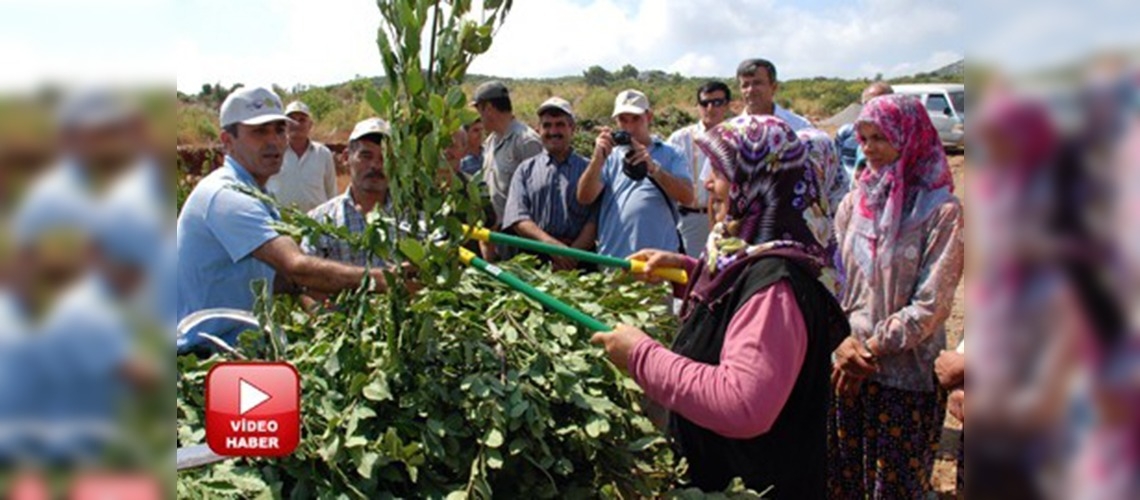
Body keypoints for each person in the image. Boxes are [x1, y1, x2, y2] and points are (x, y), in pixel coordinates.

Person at [590, 115, 847, 497]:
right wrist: (687, 272)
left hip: (756, 481)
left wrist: (641, 355)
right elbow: (739, 302)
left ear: (758, 179)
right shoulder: (755, 250)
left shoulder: (776, 285)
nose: (708, 183)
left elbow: (742, 404)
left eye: (721, 171)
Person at [176, 88, 404, 340]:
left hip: (235, 346)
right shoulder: (227, 196)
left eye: (279, 130)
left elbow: (281, 281)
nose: (273, 140)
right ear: (227, 141)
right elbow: (295, 267)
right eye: (259, 132)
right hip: (205, 350)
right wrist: (385, 280)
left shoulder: (255, 193)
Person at [829, 94, 964, 498]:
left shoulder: (941, 212)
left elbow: (931, 305)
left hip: (905, 378)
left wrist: (867, 348)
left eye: (881, 138)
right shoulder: (853, 204)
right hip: (846, 369)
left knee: (894, 488)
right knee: (845, 481)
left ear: (910, 140)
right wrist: (842, 343)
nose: (869, 149)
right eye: (864, 138)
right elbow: (836, 280)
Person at [576, 89, 694, 259]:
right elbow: (585, 197)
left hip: (660, 259)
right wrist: (596, 160)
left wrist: (654, 169)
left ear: (649, 117)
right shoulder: (609, 156)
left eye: (636, 119)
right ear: (616, 121)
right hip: (615, 258)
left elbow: (687, 197)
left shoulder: (672, 154)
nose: (629, 127)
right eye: (623, 120)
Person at [502, 97, 597, 271]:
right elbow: (518, 217)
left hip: (581, 261)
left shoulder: (590, 170)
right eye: (547, 125)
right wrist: (552, 246)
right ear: (538, 130)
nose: (553, 131)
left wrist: (572, 255)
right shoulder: (525, 170)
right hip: (535, 261)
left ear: (572, 129)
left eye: (560, 124)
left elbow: (595, 220)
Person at [303, 118, 393, 268]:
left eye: (385, 158)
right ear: (346, 158)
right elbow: (309, 280)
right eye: (366, 156)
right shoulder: (320, 221)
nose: (376, 165)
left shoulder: (415, 219)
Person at [472, 81, 543, 260]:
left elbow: (539, 196)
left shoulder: (526, 141)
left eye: (479, 110)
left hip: (521, 239)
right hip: (496, 236)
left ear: (488, 108)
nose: (478, 116)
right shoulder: (490, 142)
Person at [667, 81, 731, 257]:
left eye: (717, 102)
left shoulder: (738, 136)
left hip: (728, 219)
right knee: (693, 273)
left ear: (727, 105)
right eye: (705, 103)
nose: (710, 108)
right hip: (691, 219)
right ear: (698, 106)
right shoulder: (680, 139)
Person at [266, 100, 338, 213]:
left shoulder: (323, 154)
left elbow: (331, 192)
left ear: (310, 125)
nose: (296, 124)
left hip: (318, 225)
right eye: (292, 120)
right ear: (284, 124)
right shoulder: (273, 153)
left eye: (302, 120)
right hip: (282, 224)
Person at [835, 82, 894, 184]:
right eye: (868, 104)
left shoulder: (903, 139)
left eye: (879, 103)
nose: (868, 148)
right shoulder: (846, 133)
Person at [736, 58, 812, 130]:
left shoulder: (799, 126)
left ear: (774, 87)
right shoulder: (732, 130)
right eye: (745, 85)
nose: (751, 90)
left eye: (757, 83)